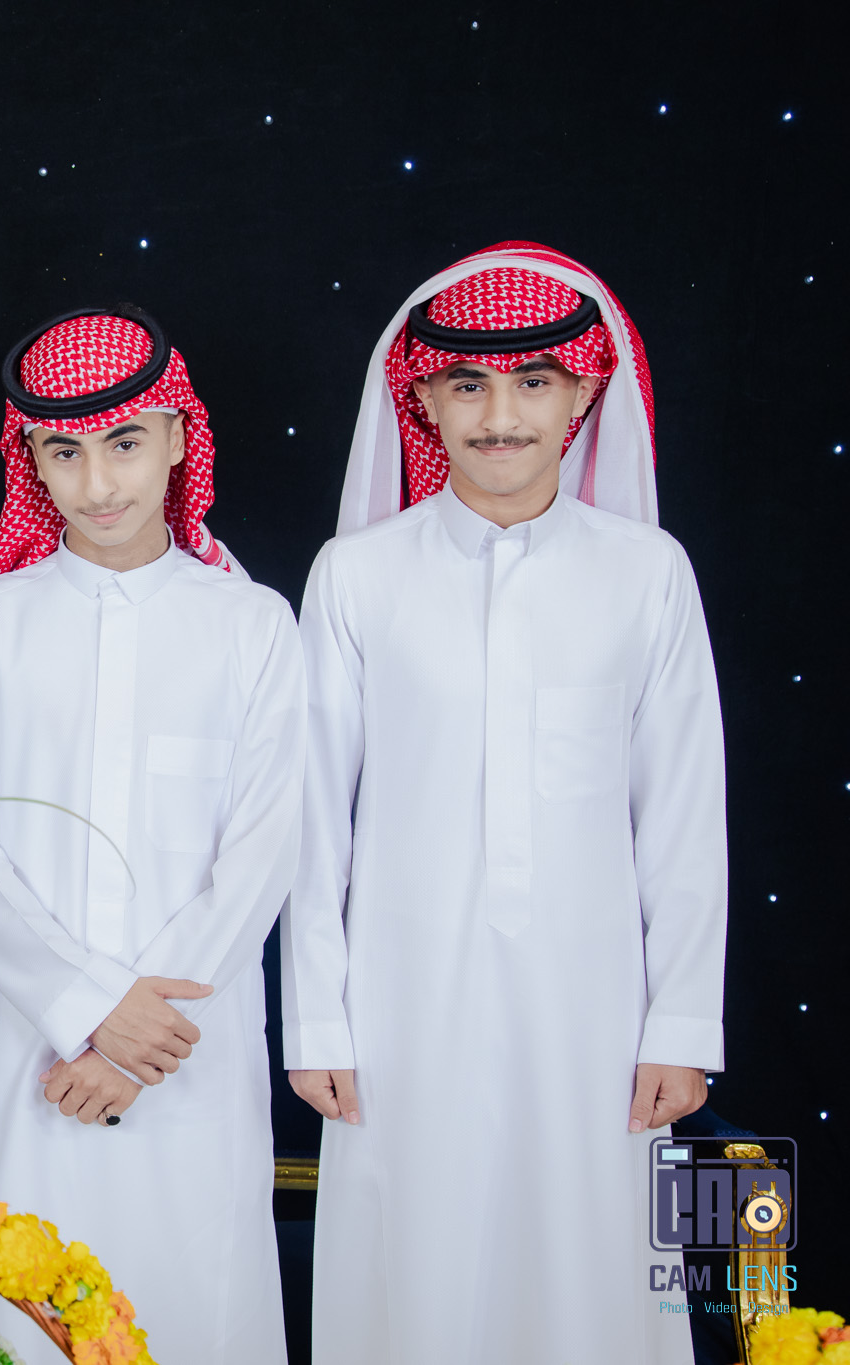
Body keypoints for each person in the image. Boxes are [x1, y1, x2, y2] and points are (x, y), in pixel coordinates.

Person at [283, 242, 724, 1364]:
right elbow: (310, 817)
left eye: (533, 382)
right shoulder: (356, 574)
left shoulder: (648, 572)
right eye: (467, 384)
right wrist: (316, 1018)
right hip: (397, 999)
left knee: (595, 1268)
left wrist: (681, 1023)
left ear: (582, 395)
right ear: (424, 399)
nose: (500, 415)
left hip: (597, 1006)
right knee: (412, 1270)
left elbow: (682, 816)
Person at [0, 307, 300, 1364]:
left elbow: (264, 850)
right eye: (64, 452)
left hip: (189, 1053)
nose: (97, 483)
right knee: (10, 1311)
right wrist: (87, 1009)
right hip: (27, 1048)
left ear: (177, 437)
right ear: (31, 459)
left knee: (192, 1310)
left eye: (125, 442)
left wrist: (139, 1038)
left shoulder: (253, 623)